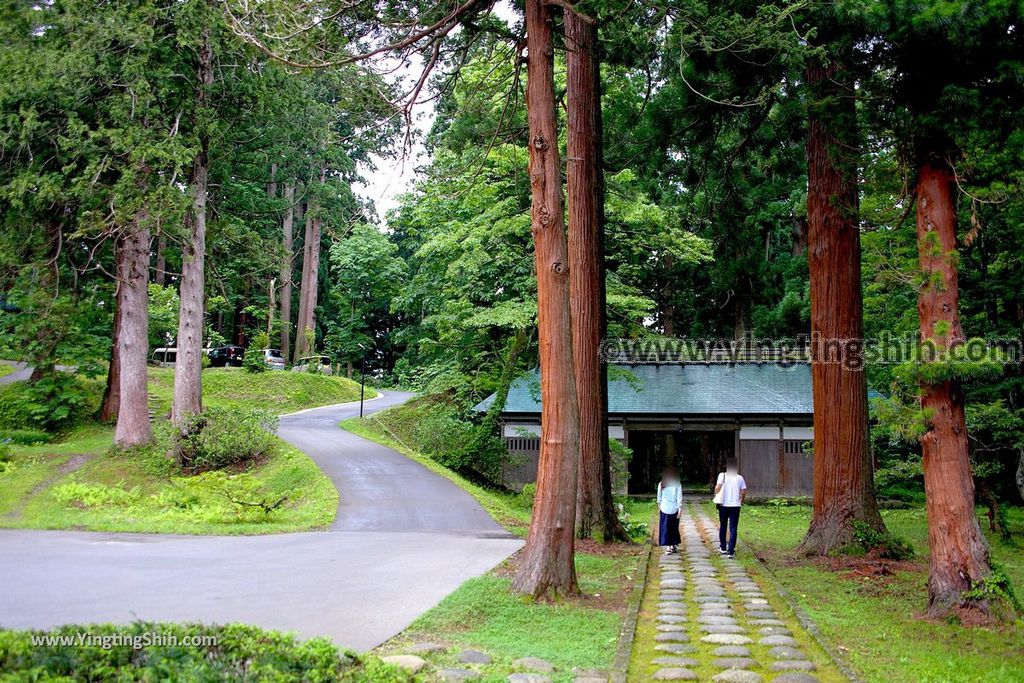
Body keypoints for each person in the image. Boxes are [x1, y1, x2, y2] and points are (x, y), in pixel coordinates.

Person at [714, 457, 747, 558]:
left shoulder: (722, 475)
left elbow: (717, 488)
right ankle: (731, 551)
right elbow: (743, 490)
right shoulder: (740, 478)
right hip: (735, 506)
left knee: (723, 525)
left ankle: (723, 547)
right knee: (733, 527)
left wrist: (717, 493)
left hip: (724, 504)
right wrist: (741, 500)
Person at [657, 466, 682, 554]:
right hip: (674, 508)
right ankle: (672, 545)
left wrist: (659, 507)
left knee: (665, 528)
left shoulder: (661, 484)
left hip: (664, 508)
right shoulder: (677, 483)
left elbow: (659, 497)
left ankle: (668, 546)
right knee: (674, 528)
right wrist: (680, 508)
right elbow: (679, 497)